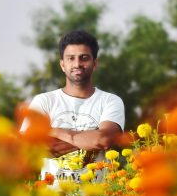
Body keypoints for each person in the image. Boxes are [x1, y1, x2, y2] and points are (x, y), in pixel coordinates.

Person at [20, 29, 125, 184]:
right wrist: (86, 139)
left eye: (84, 58)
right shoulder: (44, 101)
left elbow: (103, 138)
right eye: (71, 58)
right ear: (62, 64)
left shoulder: (110, 101)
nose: (77, 64)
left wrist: (50, 131)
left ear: (95, 63)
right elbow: (27, 144)